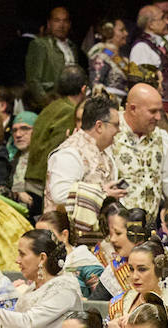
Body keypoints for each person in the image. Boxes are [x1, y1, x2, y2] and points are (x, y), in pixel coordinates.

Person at [43, 96, 123, 225]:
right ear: (99, 126)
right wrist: (102, 192)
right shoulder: (70, 152)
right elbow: (60, 194)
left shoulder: (105, 152)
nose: (119, 130)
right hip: (67, 236)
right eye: (116, 125)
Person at [0, 230, 83, 328]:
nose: (17, 260)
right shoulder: (33, 288)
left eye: (22, 254)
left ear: (42, 258)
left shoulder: (64, 289)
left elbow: (28, 323)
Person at [25, 66, 86, 193]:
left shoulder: (52, 106)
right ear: (84, 89)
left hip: (33, 175)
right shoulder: (69, 111)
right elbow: (58, 148)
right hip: (43, 182)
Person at [26, 6, 82, 107]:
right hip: (50, 102)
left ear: (69, 24)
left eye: (65, 21)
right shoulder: (40, 45)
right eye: (57, 20)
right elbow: (33, 80)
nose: (61, 25)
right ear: (49, 23)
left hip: (71, 102)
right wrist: (46, 102)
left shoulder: (72, 47)